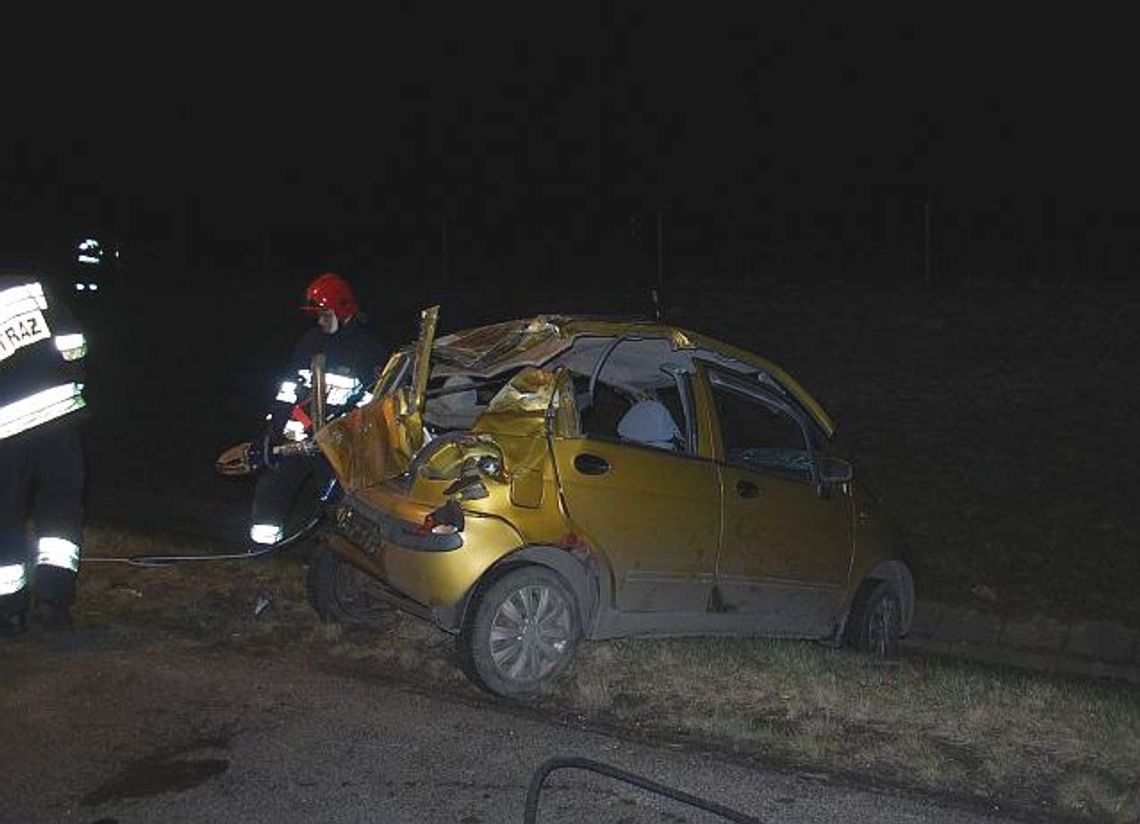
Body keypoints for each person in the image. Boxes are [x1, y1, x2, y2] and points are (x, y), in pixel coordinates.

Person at [247, 272, 387, 547]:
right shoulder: (310, 341)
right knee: (272, 490)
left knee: (340, 504)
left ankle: (336, 561)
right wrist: (274, 429)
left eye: (325, 315)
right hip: (297, 440)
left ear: (343, 310)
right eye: (317, 316)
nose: (320, 321)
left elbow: (373, 400)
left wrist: (341, 428)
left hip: (338, 444)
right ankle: (262, 549)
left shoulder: (368, 349)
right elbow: (289, 386)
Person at [0, 273, 89, 634]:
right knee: (61, 509)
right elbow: (74, 344)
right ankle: (54, 602)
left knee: (5, 515)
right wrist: (71, 377)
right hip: (61, 416)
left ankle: (8, 610)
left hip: (6, 428)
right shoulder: (31, 287)